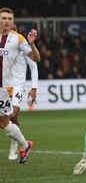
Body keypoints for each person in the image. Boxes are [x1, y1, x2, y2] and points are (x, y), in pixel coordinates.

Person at [0, 7, 40, 164]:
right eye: (4, 18)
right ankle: (25, 145)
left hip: (4, 89)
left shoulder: (18, 39)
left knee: (6, 120)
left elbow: (35, 59)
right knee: (4, 122)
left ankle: (22, 144)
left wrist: (32, 44)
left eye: (10, 19)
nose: (7, 21)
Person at [8, 25, 39, 160]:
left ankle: (16, 143)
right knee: (8, 118)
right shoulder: (4, 47)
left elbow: (34, 66)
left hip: (18, 86)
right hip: (4, 85)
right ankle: (17, 139)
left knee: (13, 113)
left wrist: (34, 87)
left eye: (13, 29)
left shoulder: (22, 46)